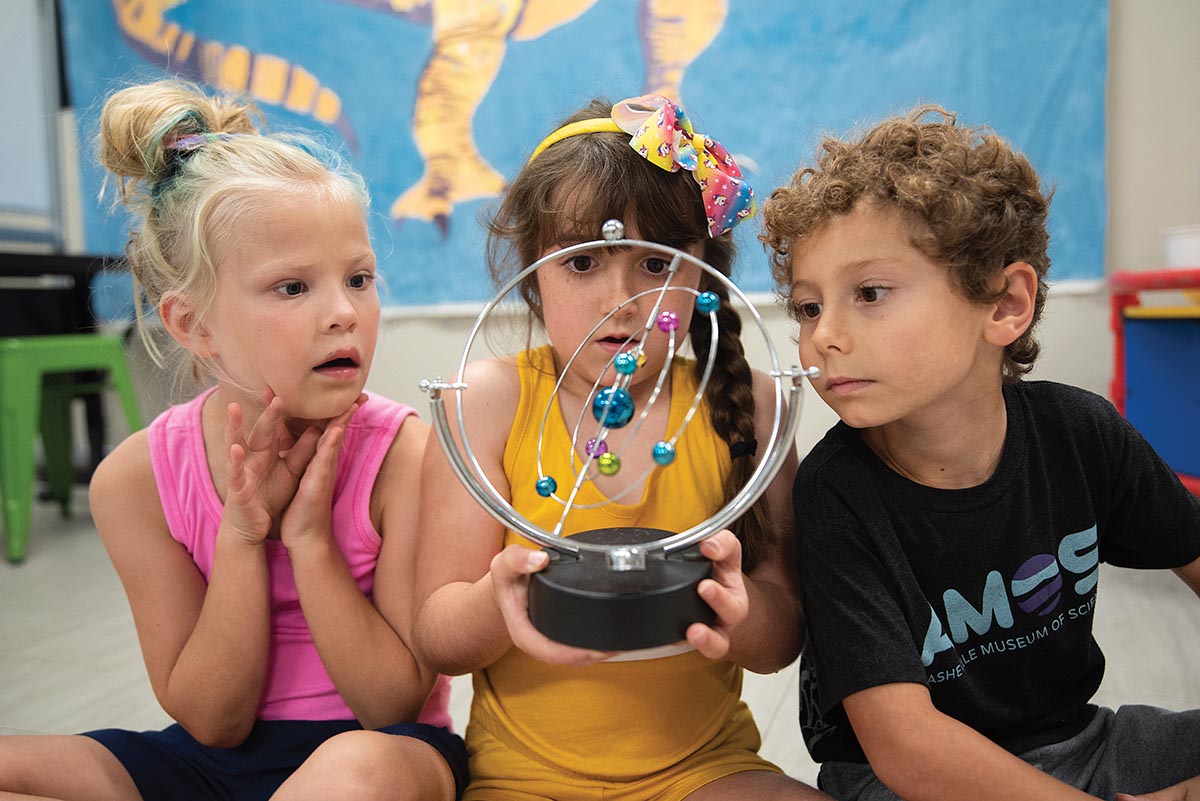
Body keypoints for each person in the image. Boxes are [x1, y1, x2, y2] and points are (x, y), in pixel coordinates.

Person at [0, 79, 467, 801]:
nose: (344, 311)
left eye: (360, 278)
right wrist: (244, 538)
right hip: (210, 764)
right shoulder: (133, 482)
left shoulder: (403, 455)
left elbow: (392, 703)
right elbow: (211, 721)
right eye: (292, 287)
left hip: (378, 752)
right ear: (193, 324)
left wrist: (309, 541)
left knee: (357, 770)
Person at [759, 104, 1200, 801]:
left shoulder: (1081, 433)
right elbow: (906, 748)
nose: (822, 337)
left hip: (1081, 744)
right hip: (904, 784)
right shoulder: (836, 491)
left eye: (869, 293)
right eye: (809, 307)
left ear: (1005, 304)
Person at [410, 95, 829, 800]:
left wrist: (739, 608)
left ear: (702, 273)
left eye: (653, 265)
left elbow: (782, 636)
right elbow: (438, 635)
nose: (620, 299)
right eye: (583, 264)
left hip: (704, 770)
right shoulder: (484, 401)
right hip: (522, 779)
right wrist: (501, 598)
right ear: (532, 273)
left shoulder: (754, 403)